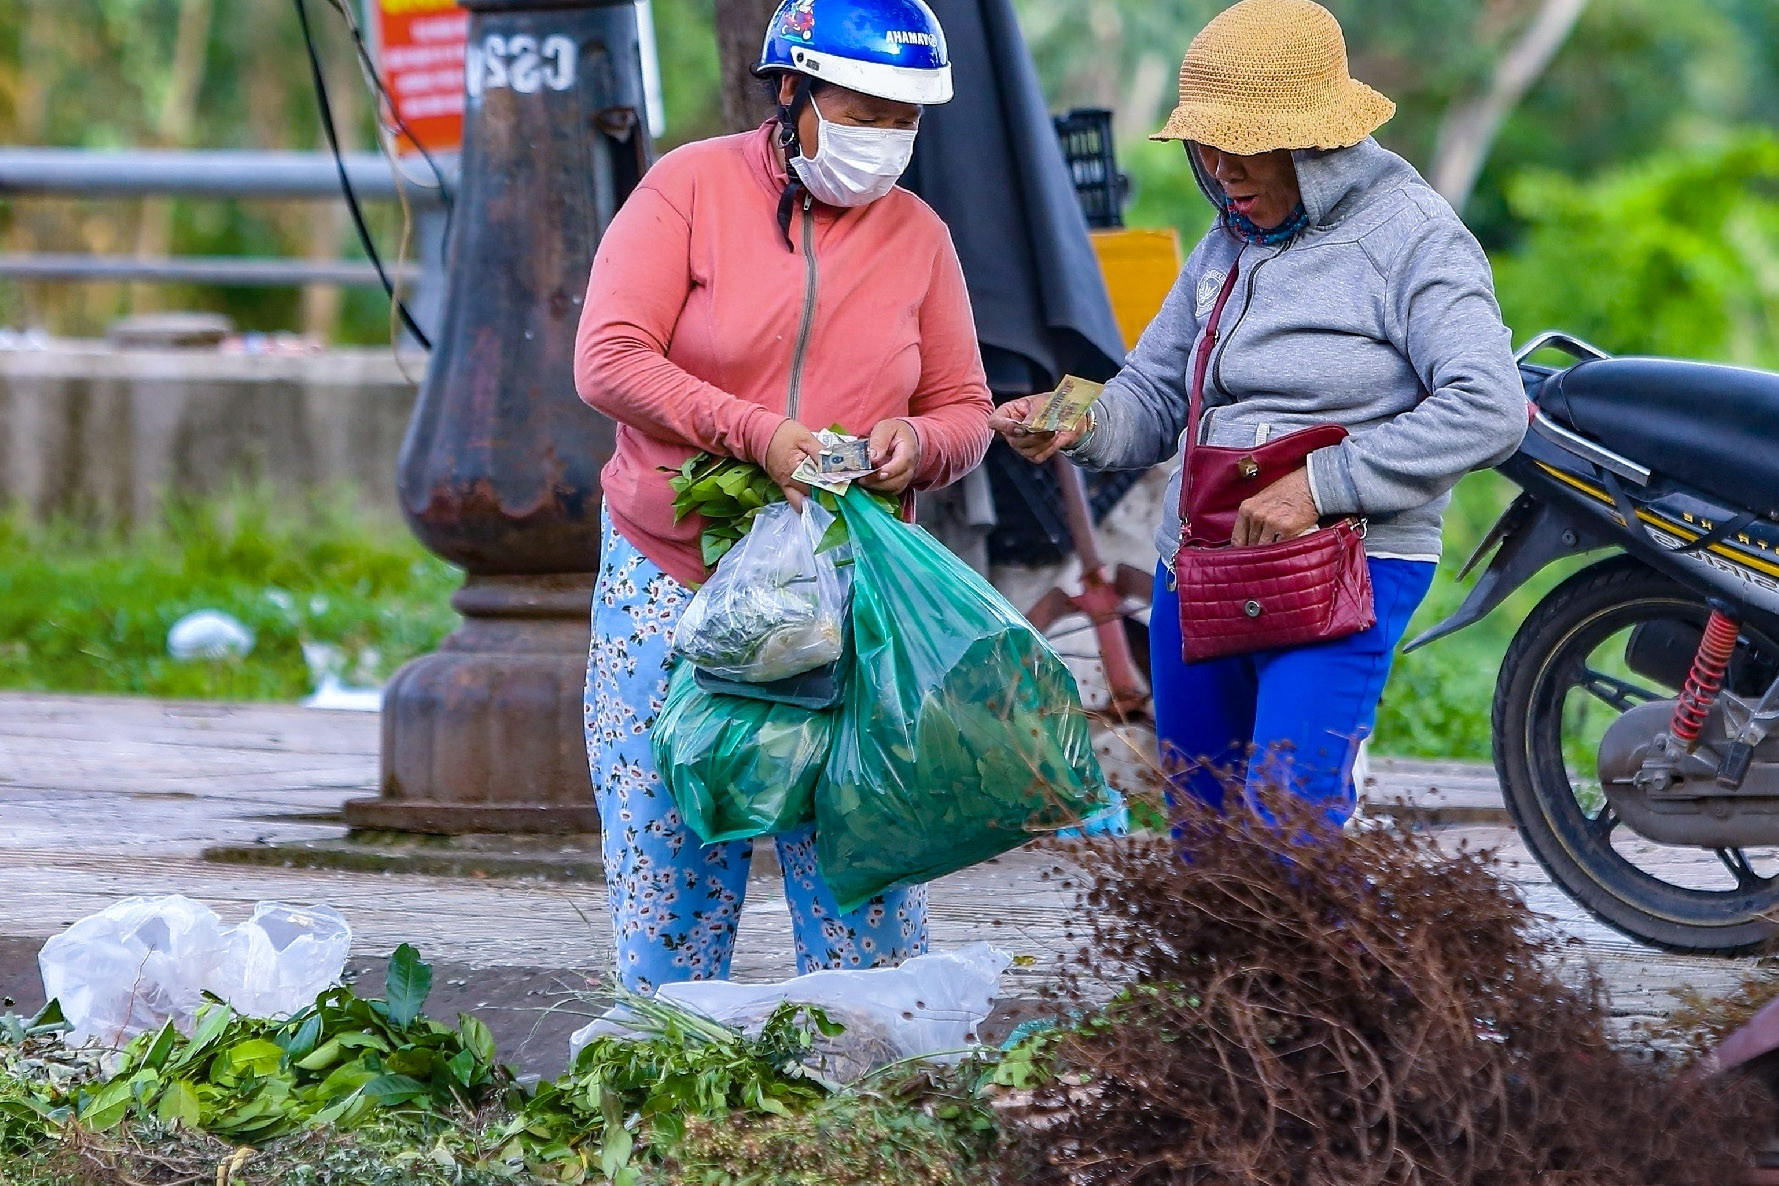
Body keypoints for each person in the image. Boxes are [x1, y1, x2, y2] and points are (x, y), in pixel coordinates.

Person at [992, 0, 1528, 823]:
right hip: (1199, 564)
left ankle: (1354, 955)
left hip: (1345, 566)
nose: (1221, 169)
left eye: (1244, 149)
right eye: (1207, 148)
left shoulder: (1416, 238)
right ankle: (1218, 961)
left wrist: (1320, 485)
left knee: (1289, 819)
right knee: (1201, 830)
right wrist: (1081, 423)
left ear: (1316, 143)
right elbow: (1154, 395)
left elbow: (1490, 406)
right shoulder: (1223, 245)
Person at [574, 0, 993, 993]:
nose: (885, 140)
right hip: (674, 573)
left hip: (847, 596)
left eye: (905, 120)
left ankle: (871, 1103)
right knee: (669, 852)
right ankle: (670, 1080)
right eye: (864, 109)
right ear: (793, 93)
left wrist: (917, 444)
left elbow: (966, 408)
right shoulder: (686, 189)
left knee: (862, 866)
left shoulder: (920, 236)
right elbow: (608, 359)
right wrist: (760, 435)